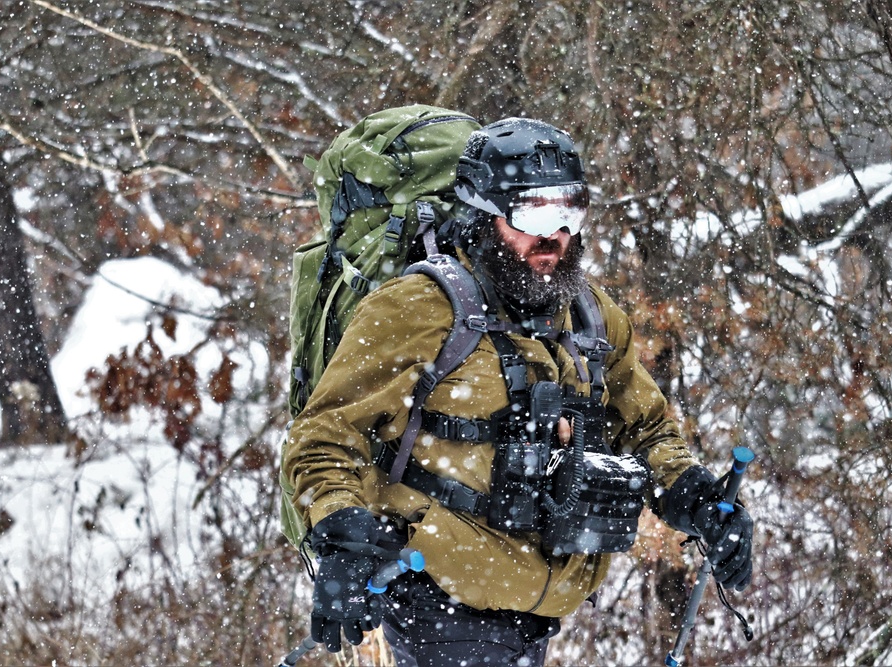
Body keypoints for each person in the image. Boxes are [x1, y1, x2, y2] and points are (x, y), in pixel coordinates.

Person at [283, 117, 754, 666]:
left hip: (535, 609)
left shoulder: (591, 318)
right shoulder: (418, 307)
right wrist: (342, 535)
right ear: (485, 214)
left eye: (570, 212)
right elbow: (325, 434)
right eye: (534, 213)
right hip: (436, 590)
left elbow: (645, 427)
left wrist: (695, 498)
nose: (554, 235)